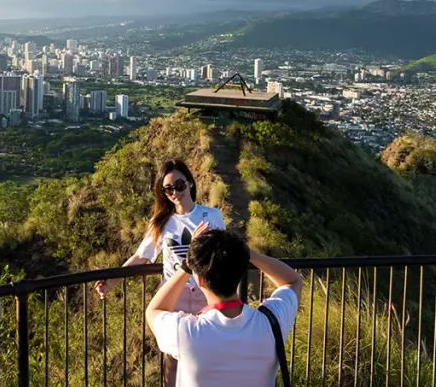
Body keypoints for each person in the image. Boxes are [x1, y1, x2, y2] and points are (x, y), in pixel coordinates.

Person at [94, 159, 226, 387]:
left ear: (190, 183)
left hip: (208, 294)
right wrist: (112, 280)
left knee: (208, 353)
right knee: (172, 355)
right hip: (175, 294)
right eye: (168, 189)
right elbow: (141, 257)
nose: (175, 192)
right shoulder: (162, 223)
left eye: (179, 185)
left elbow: (225, 255)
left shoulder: (211, 216)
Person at [145, 229, 303, 387]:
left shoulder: (185, 332)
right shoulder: (271, 322)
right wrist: (249, 253)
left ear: (200, 281)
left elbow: (154, 310)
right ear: (241, 271)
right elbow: (293, 281)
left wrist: (187, 266)